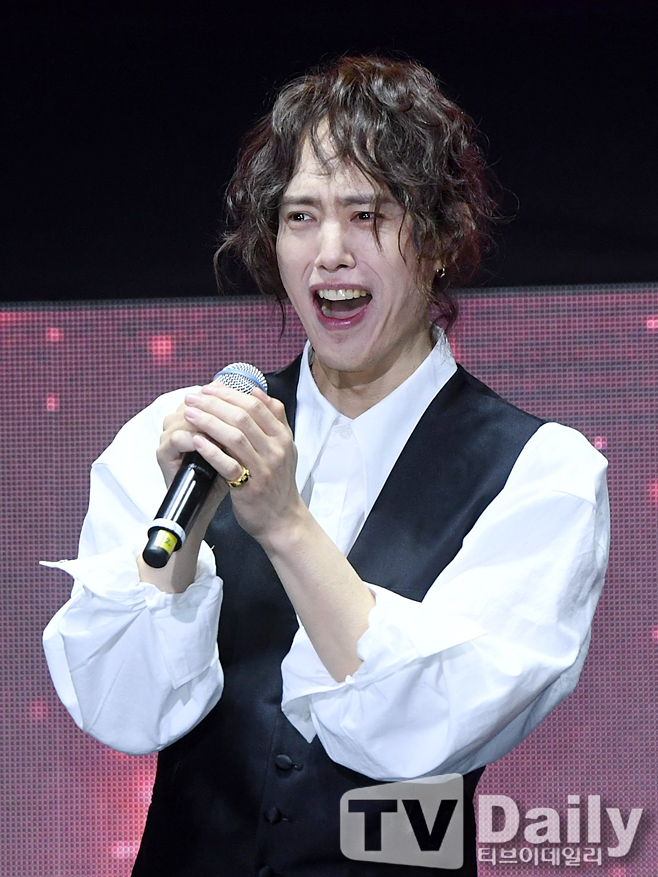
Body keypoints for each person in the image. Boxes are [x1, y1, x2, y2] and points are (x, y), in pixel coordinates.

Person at [43, 56, 609, 876]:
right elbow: (121, 708)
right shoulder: (188, 435)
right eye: (301, 216)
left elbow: (429, 730)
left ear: (440, 238)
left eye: (367, 214)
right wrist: (182, 545)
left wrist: (283, 522)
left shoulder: (541, 473)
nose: (330, 252)